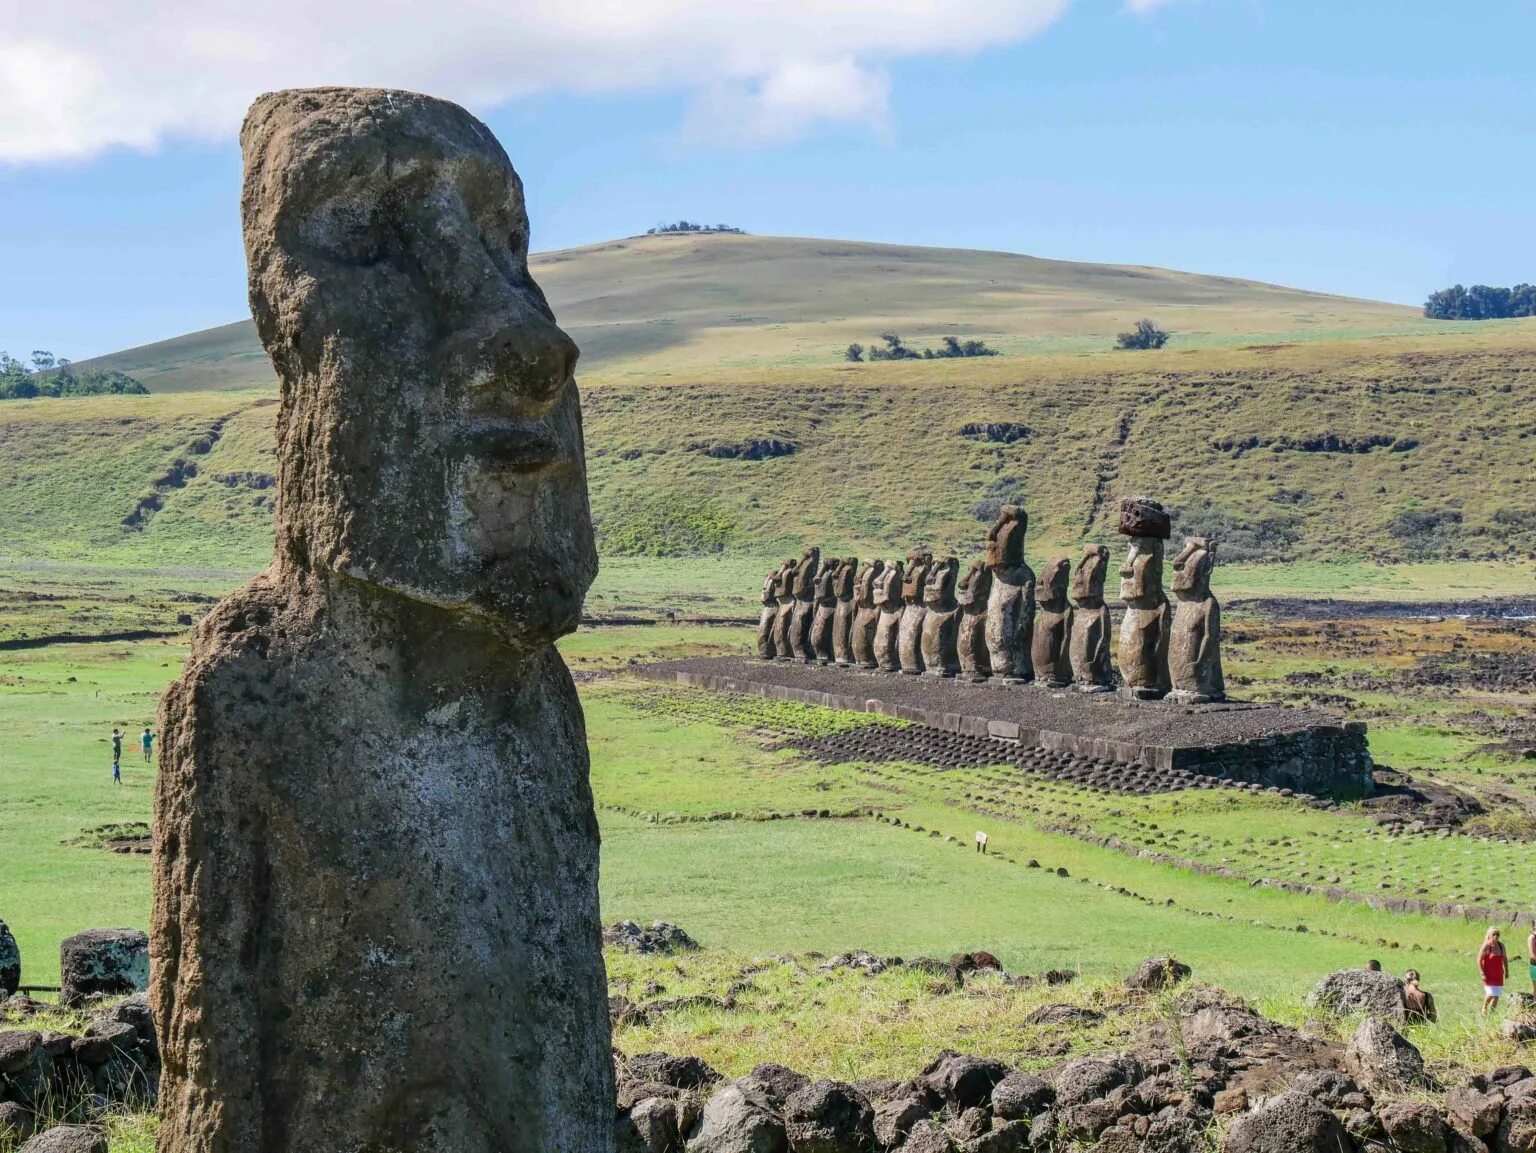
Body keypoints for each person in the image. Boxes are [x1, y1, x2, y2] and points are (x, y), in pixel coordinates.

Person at [1480, 926, 1508, 1015]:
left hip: (1498, 974)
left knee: (1496, 995)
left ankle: (1492, 1013)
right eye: (1493, 934)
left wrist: (1506, 971)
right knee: (1490, 993)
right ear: (1489, 935)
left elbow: (1505, 958)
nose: (1496, 936)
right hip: (1488, 974)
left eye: (1497, 934)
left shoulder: (1501, 945)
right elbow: (1479, 959)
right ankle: (1484, 1007)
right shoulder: (1487, 946)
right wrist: (1482, 972)